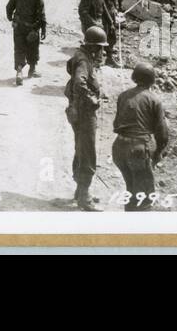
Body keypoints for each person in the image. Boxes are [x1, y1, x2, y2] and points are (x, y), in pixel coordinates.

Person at [111, 62, 170, 211]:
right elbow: (162, 134)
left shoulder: (123, 96)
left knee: (131, 188)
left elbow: (116, 124)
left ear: (134, 78)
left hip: (119, 148)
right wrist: (158, 153)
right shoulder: (154, 100)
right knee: (144, 197)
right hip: (138, 150)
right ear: (152, 80)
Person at [65, 26, 107, 211]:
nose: (102, 51)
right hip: (84, 113)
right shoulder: (83, 60)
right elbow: (79, 82)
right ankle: (84, 197)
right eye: (100, 47)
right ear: (93, 47)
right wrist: (92, 99)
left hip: (79, 111)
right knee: (88, 152)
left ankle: (80, 191)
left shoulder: (82, 56)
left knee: (81, 149)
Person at [5, 0, 47, 84]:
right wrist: (43, 29)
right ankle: (32, 70)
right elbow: (41, 14)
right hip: (32, 28)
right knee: (33, 48)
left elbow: (9, 7)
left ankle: (19, 71)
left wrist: (11, 19)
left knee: (19, 48)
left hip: (18, 26)